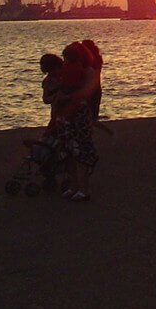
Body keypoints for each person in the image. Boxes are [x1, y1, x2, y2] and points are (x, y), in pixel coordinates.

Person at [57, 42, 99, 202]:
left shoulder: (88, 71)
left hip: (78, 114)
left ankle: (83, 188)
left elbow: (87, 93)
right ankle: (74, 186)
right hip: (67, 115)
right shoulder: (68, 71)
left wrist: (66, 97)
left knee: (79, 150)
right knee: (68, 151)